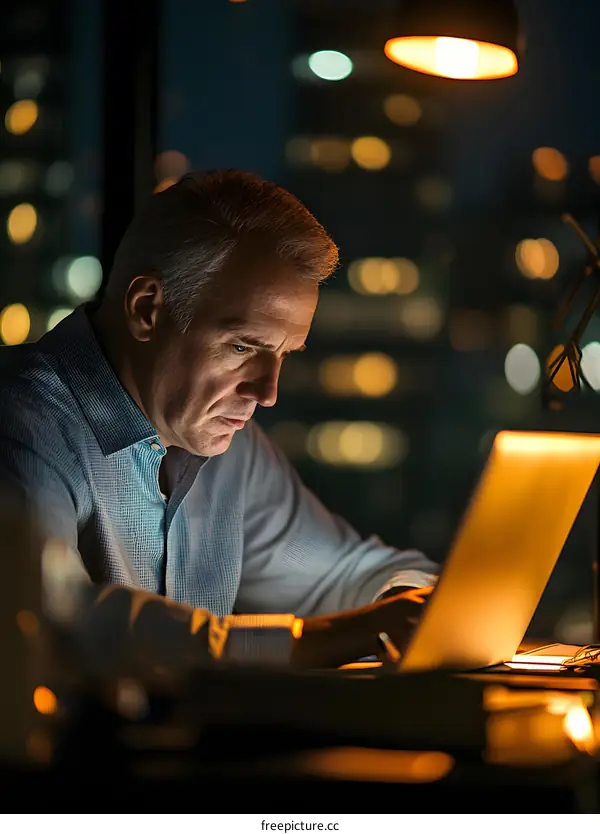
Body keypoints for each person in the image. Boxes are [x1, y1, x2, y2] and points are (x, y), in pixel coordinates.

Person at [0, 170, 437, 669]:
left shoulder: (230, 451)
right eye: (242, 347)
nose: (267, 394)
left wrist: (406, 609)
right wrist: (308, 642)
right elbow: (48, 620)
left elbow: (345, 576)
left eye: (284, 354)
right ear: (147, 309)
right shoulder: (21, 424)